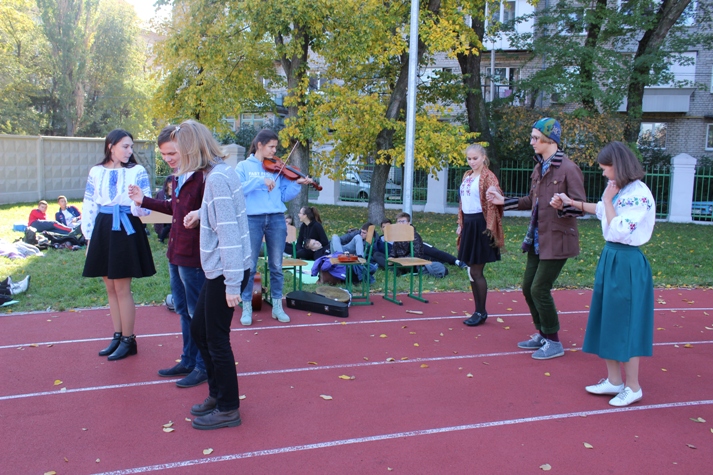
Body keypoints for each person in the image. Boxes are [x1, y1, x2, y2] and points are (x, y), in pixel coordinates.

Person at [551, 142, 655, 407]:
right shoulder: (620, 189)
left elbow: (619, 228)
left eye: (605, 168)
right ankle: (614, 381)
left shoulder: (639, 194)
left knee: (626, 324)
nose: (603, 173)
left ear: (618, 166)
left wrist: (608, 200)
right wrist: (571, 202)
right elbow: (602, 211)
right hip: (612, 257)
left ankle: (633, 387)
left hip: (627, 261)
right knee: (608, 319)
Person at [167, 120, 251, 430]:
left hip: (227, 270)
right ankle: (217, 395)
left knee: (216, 338)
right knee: (200, 330)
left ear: (192, 150)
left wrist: (232, 284)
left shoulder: (215, 179)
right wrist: (201, 213)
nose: (175, 159)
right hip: (222, 269)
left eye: (178, 151)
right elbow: (227, 211)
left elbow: (229, 233)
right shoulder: (220, 173)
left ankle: (229, 408)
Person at [487, 117, 585, 360]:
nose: (531, 142)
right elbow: (532, 200)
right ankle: (543, 333)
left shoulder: (569, 169)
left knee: (539, 288)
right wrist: (503, 202)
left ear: (550, 140)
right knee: (527, 288)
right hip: (537, 238)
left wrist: (563, 206)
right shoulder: (539, 167)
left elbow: (580, 207)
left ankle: (553, 341)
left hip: (558, 239)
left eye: (535, 138)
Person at [128, 124, 208, 389]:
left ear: (187, 147)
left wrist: (201, 215)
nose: (168, 158)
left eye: (172, 153)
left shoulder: (203, 176)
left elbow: (215, 212)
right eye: (163, 154)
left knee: (197, 312)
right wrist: (143, 200)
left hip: (194, 257)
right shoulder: (178, 176)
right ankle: (189, 359)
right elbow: (174, 208)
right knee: (184, 310)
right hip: (176, 253)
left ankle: (203, 366)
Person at [82, 129, 156, 361]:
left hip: (126, 228)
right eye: (125, 146)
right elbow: (89, 204)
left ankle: (128, 339)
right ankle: (117, 335)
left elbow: (146, 210)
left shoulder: (137, 171)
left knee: (122, 288)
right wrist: (89, 238)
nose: (130, 151)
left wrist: (138, 200)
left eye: (131, 146)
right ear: (111, 146)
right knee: (110, 288)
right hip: (103, 228)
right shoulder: (96, 171)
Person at [235, 129, 313, 326]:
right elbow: (238, 189)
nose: (274, 151)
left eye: (276, 147)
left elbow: (284, 195)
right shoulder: (243, 166)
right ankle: (247, 307)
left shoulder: (278, 168)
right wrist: (260, 180)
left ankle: (277, 306)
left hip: (276, 218)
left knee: (276, 266)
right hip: (252, 219)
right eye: (271, 147)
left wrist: (297, 183)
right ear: (259, 145)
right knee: (250, 266)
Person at [457, 144, 505, 326]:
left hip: (482, 225)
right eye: (469, 158)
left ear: (484, 157)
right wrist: (460, 223)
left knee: (476, 271)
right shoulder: (467, 175)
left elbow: (496, 197)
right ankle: (478, 310)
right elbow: (462, 202)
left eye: (475, 158)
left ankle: (481, 312)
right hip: (468, 224)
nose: (472, 162)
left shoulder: (489, 176)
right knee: (471, 270)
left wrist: (494, 193)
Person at [153, 177, 173, 243]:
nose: (171, 184)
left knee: (171, 223)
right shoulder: (161, 194)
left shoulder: (176, 193)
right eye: (169, 182)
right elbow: (156, 203)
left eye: (172, 182)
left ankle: (161, 238)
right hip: (163, 214)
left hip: (172, 214)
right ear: (167, 183)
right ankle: (161, 237)